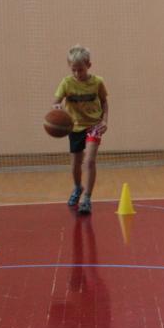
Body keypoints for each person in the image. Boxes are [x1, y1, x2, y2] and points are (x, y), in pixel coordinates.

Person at [52, 45, 109, 215]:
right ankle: (78, 187)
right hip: (75, 127)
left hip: (93, 125)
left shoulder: (97, 82)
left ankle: (87, 199)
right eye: (74, 70)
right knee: (75, 164)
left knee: (89, 161)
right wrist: (57, 107)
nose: (77, 73)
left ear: (89, 65)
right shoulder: (66, 83)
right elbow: (56, 102)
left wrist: (105, 121)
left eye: (81, 69)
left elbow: (104, 102)